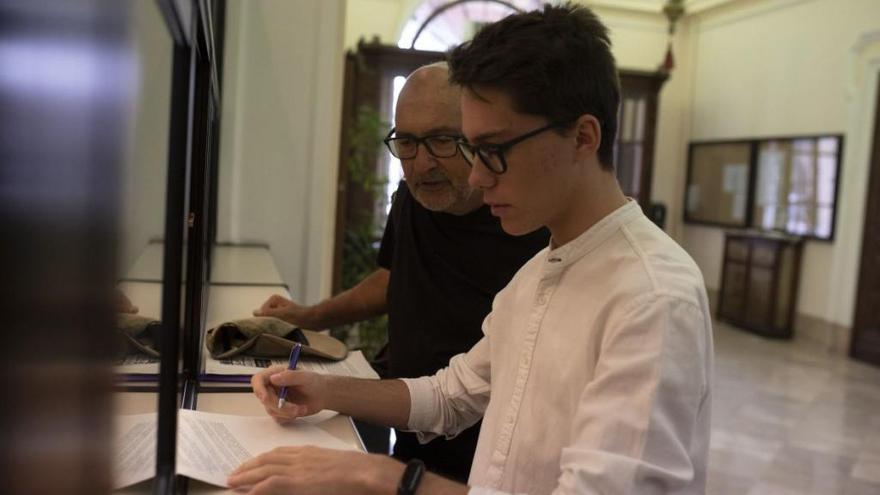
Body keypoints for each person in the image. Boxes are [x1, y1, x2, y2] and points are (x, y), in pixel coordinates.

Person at [230, 4, 713, 495]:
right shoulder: (537, 273)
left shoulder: (651, 298)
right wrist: (327, 390)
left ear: (583, 137)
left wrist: (381, 475)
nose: (479, 178)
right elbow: (450, 395)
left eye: (493, 151)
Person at [252, 62, 549, 482]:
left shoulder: (528, 225)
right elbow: (393, 278)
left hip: (488, 454)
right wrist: (311, 316)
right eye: (407, 141)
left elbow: (471, 391)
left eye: (442, 140)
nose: (422, 163)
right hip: (413, 416)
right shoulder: (413, 196)